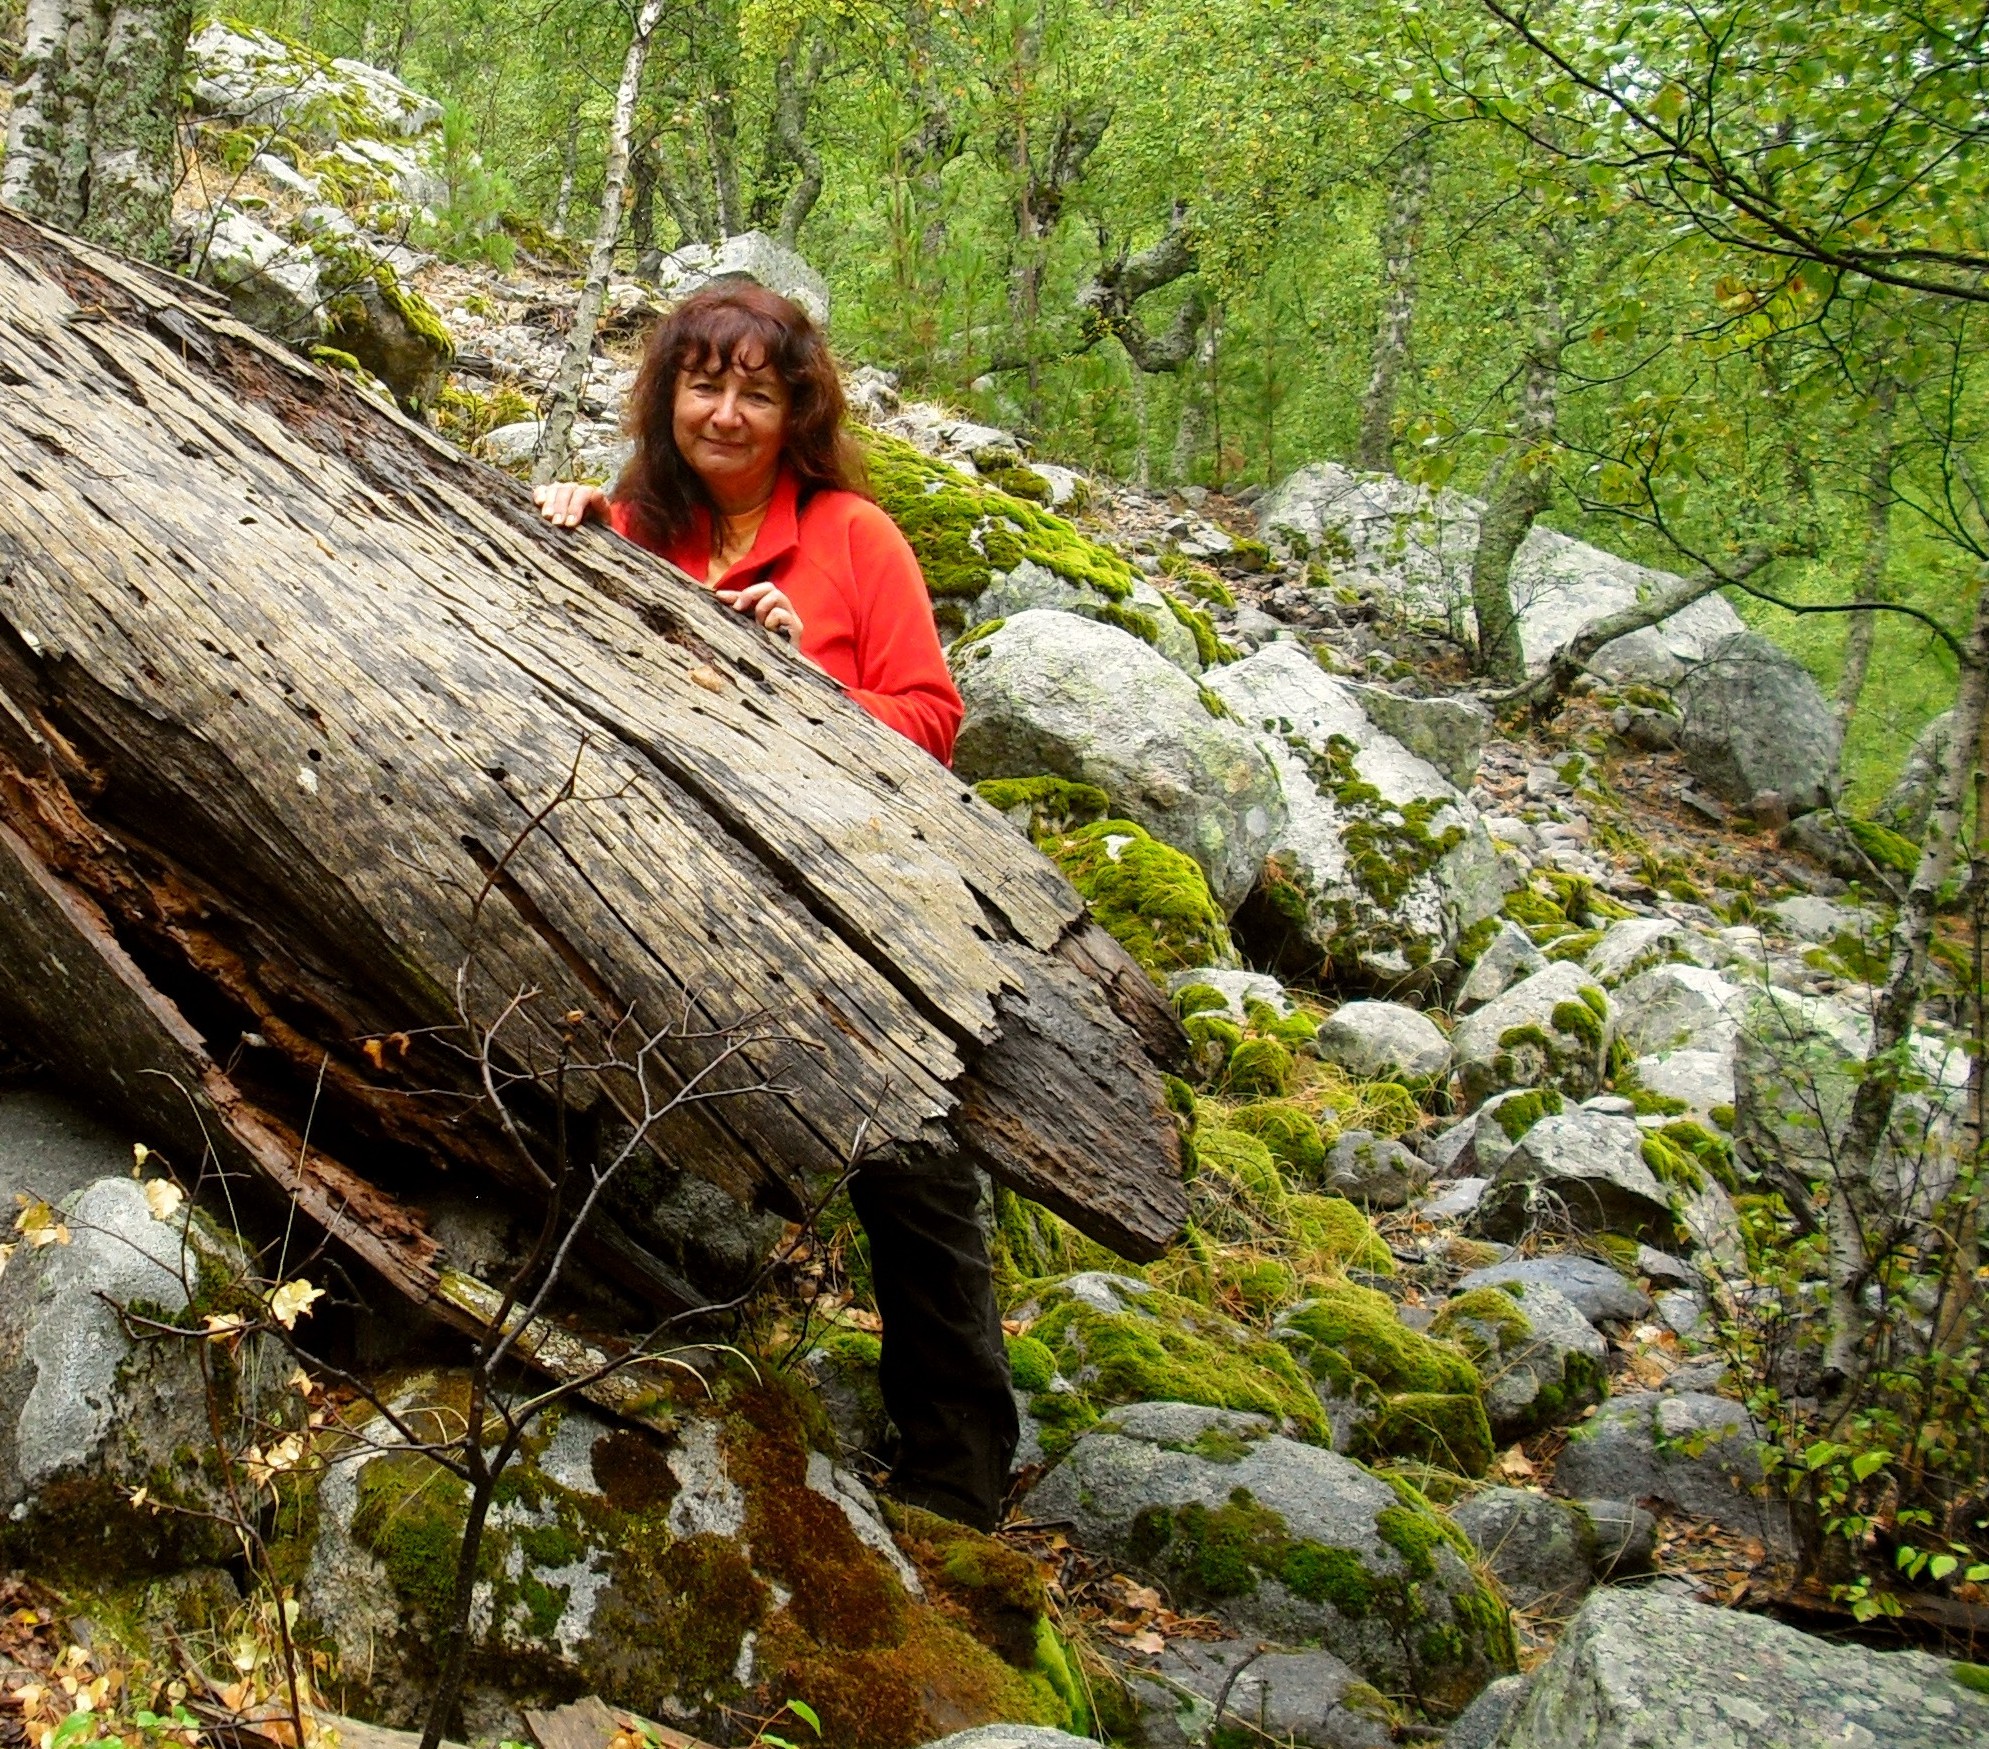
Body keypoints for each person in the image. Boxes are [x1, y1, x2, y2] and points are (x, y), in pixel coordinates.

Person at [533, 280, 1018, 1530]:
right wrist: (551, 527)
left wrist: (802, 674)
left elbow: (933, 726)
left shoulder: (859, 540)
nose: (729, 413)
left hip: (855, 918)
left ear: (797, 409)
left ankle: (957, 1489)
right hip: (667, 902)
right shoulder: (636, 526)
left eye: (759, 390)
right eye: (706, 384)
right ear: (669, 395)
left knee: (917, 1180)